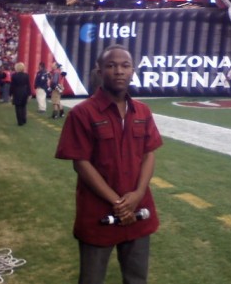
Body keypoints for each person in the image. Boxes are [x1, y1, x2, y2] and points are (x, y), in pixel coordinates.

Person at [55, 44, 163, 284]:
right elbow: (81, 163)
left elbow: (149, 154)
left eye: (125, 66)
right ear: (99, 70)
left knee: (136, 279)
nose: (119, 71)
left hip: (139, 211)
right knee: (91, 280)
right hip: (98, 213)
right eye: (111, 65)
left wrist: (138, 193)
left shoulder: (143, 111)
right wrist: (118, 202)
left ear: (133, 70)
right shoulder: (82, 113)